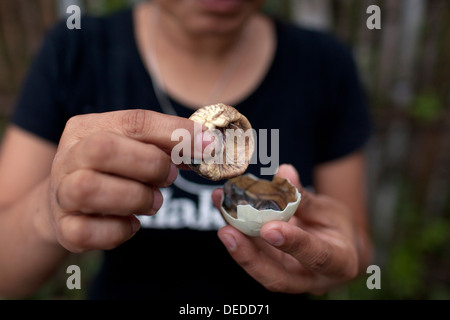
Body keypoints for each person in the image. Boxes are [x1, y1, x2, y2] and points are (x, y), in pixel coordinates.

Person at [0, 0, 372, 299]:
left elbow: (354, 244)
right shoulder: (76, 52)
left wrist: (332, 260)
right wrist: (47, 215)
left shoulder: (325, 63)